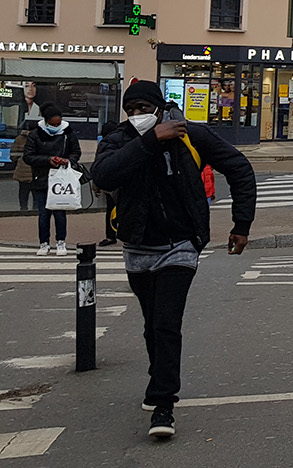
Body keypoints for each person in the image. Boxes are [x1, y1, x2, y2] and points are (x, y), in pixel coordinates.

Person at [91, 80, 256, 442]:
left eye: (143, 109)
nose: (136, 116)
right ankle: (157, 379)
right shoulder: (119, 139)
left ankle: (164, 403)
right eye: (130, 110)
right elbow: (102, 176)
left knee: (167, 322)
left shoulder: (190, 136)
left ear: (160, 108)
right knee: (152, 323)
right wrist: (149, 140)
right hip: (137, 245)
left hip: (181, 244)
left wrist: (241, 224)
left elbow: (240, 169)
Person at [23, 103, 81, 256]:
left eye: (58, 123)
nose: (56, 126)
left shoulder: (68, 133)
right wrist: (47, 160)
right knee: (43, 213)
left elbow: (76, 152)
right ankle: (44, 243)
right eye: (53, 123)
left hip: (60, 179)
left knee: (60, 212)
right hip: (42, 177)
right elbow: (28, 156)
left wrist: (67, 161)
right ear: (46, 121)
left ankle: (61, 242)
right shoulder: (35, 134)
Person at [11, 126, 33, 210]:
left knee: (23, 191)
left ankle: (23, 208)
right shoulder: (38, 137)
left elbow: (13, 153)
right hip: (35, 169)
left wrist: (17, 162)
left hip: (22, 168)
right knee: (36, 191)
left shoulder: (19, 138)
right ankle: (36, 208)